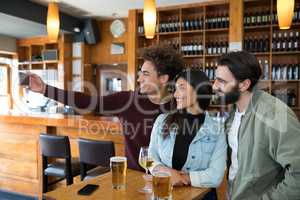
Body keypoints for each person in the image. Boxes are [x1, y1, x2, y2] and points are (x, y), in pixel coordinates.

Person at [28, 45, 184, 171]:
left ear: (163, 78)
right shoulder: (128, 100)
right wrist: (45, 89)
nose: (139, 78)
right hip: (134, 176)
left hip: (167, 179)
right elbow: (88, 101)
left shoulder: (180, 105)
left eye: (145, 74)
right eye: (140, 73)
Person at [212, 51, 300, 200]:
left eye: (221, 81)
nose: (214, 86)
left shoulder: (274, 114)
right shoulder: (233, 112)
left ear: (244, 84)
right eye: (215, 79)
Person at [149, 69, 227, 200]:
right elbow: (150, 157)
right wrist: (167, 172)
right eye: (175, 89)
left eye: (181, 88)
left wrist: (183, 178)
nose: (175, 94)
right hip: (164, 194)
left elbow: (216, 176)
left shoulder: (217, 130)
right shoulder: (162, 120)